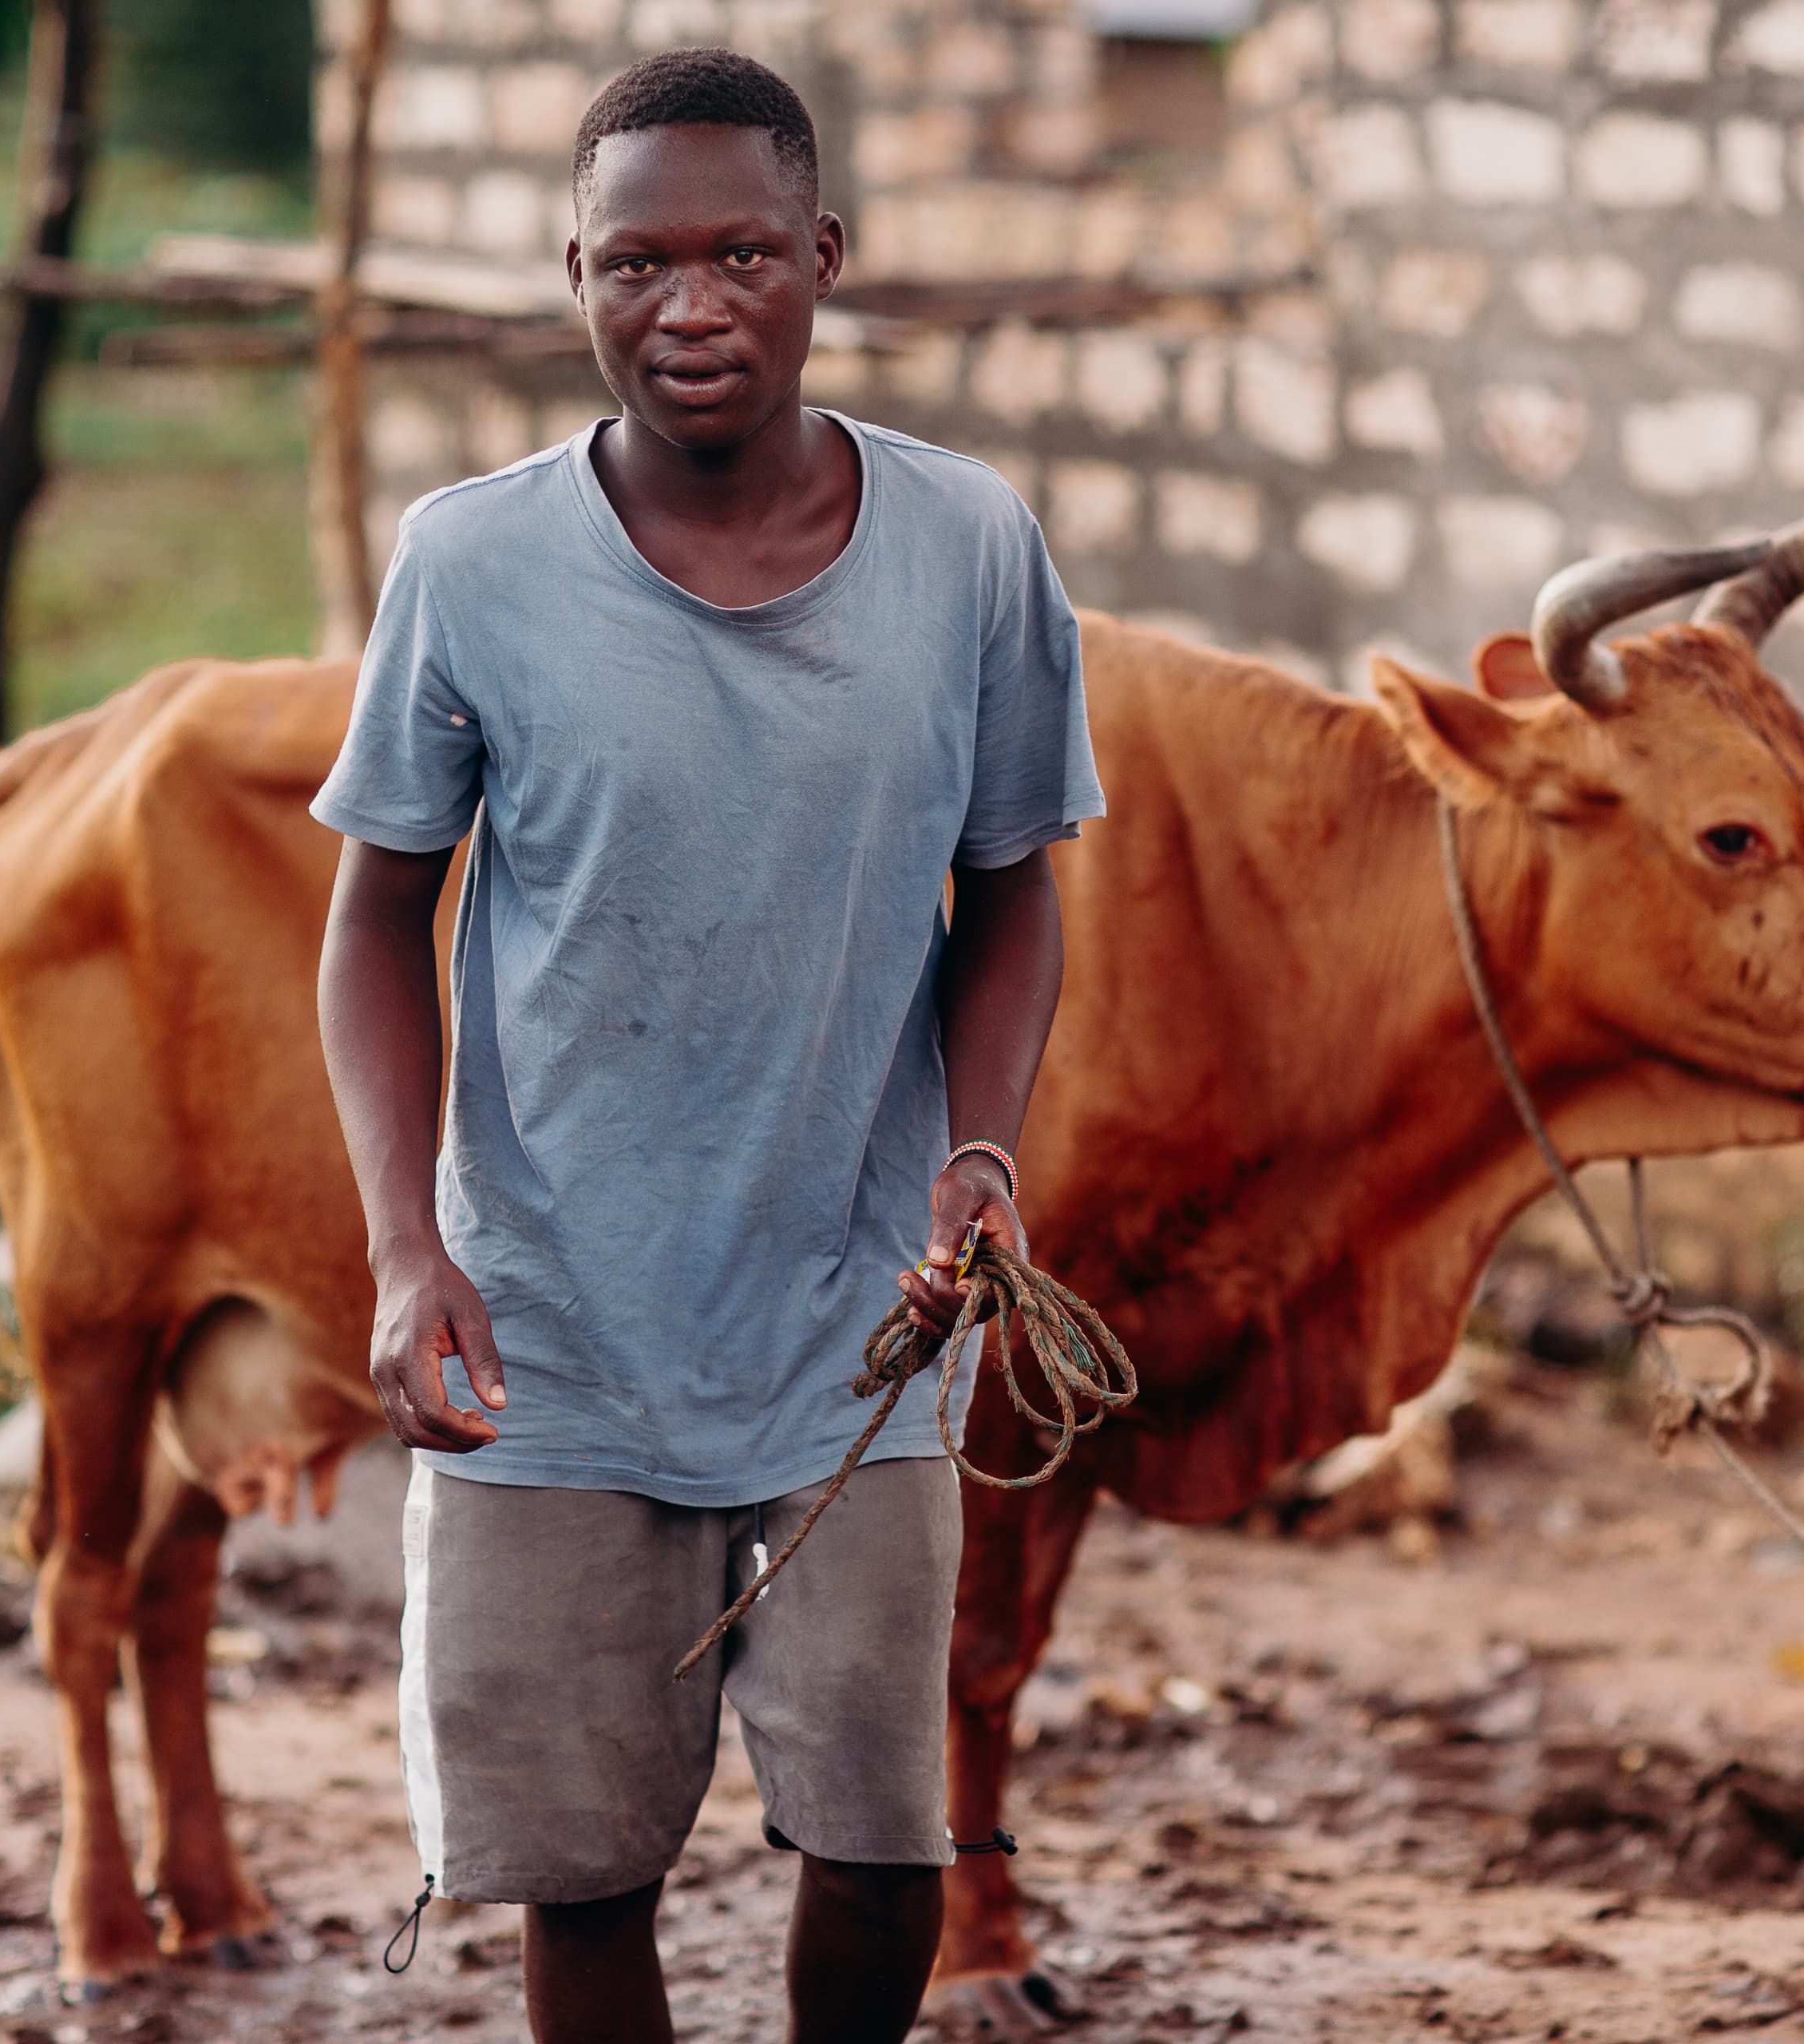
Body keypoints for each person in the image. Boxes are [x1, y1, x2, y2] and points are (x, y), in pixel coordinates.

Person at [310, 46, 1102, 2044]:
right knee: (583, 1873)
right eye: (635, 262)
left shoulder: (968, 548)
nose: (690, 307)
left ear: (824, 256)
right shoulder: (472, 565)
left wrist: (982, 1146)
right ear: (570, 272)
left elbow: (1012, 886)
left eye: (743, 250)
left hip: (860, 1325)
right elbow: (370, 923)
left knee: (884, 1846)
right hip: (548, 1336)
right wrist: (412, 1250)